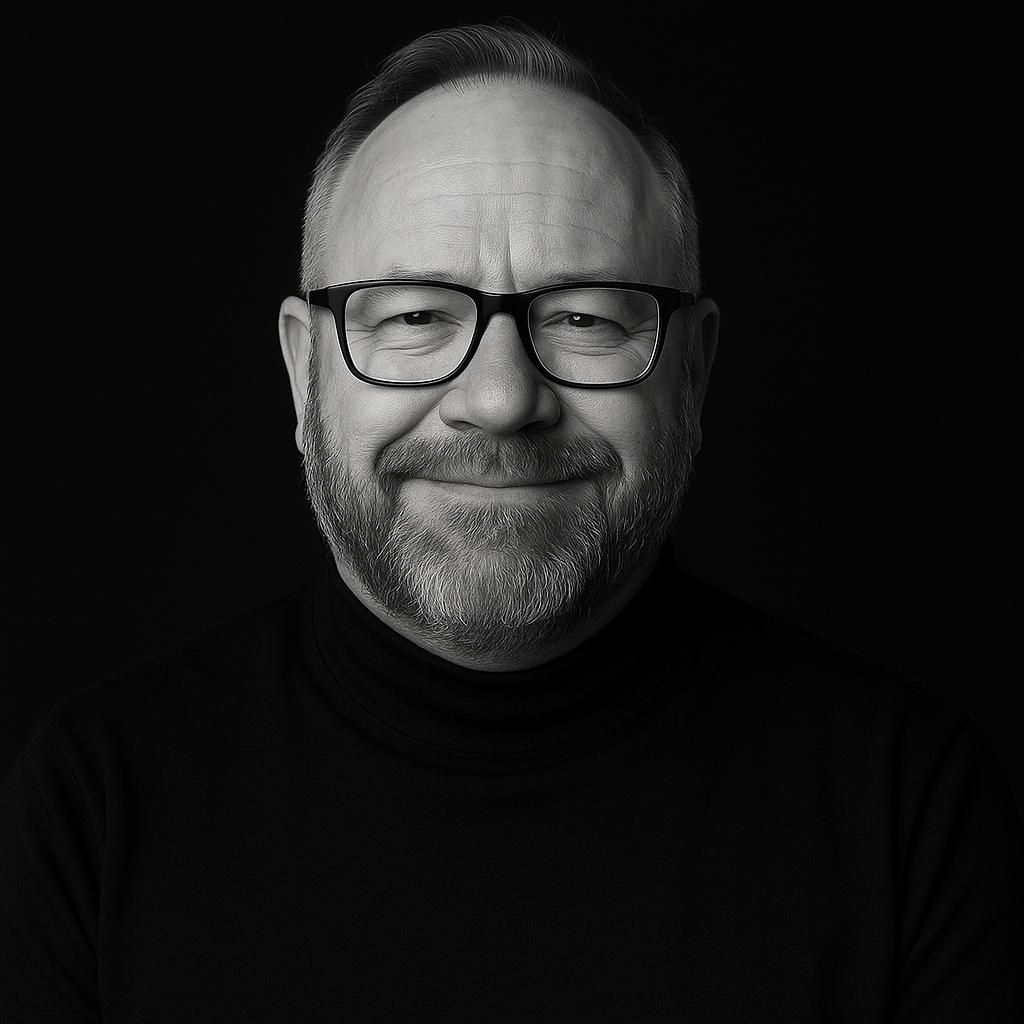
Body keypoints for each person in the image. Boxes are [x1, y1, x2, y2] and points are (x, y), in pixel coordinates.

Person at [2, 20, 1021, 1023]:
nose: (499, 399)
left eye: (582, 316)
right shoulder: (93, 805)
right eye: (410, 316)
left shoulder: (908, 807)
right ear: (301, 373)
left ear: (694, 373)